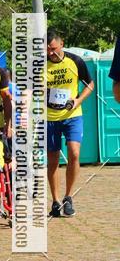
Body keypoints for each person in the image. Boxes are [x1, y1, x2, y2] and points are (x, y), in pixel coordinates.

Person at [46, 28, 94, 217]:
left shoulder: (75, 61)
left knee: (74, 153)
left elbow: (90, 84)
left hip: (73, 115)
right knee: (53, 161)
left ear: (62, 44)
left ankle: (68, 197)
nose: (51, 53)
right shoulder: (40, 65)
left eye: (53, 48)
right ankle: (56, 201)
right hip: (50, 118)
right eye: (47, 50)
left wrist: (77, 100)